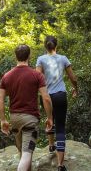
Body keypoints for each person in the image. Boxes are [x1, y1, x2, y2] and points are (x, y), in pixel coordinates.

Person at [0, 44, 54, 171]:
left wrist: (3, 120)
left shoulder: (7, 76)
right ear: (29, 56)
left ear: (15, 56)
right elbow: (46, 98)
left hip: (15, 119)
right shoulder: (36, 75)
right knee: (27, 153)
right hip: (30, 119)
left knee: (23, 154)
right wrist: (49, 117)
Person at [35, 35, 78, 171]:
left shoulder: (41, 59)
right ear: (56, 46)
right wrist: (75, 89)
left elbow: (37, 79)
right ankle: (60, 165)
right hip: (60, 95)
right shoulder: (63, 58)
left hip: (46, 96)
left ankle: (51, 145)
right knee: (60, 126)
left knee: (49, 119)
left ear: (45, 46)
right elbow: (73, 78)